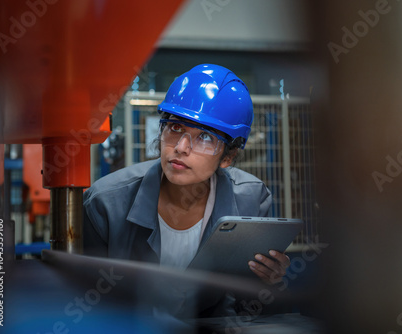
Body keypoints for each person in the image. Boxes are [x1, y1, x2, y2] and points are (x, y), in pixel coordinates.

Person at [83, 64, 291, 315]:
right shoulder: (105, 204)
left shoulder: (250, 201)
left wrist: (269, 282)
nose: (181, 147)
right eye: (175, 128)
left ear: (228, 156)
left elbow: (247, 307)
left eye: (205, 137)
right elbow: (84, 305)